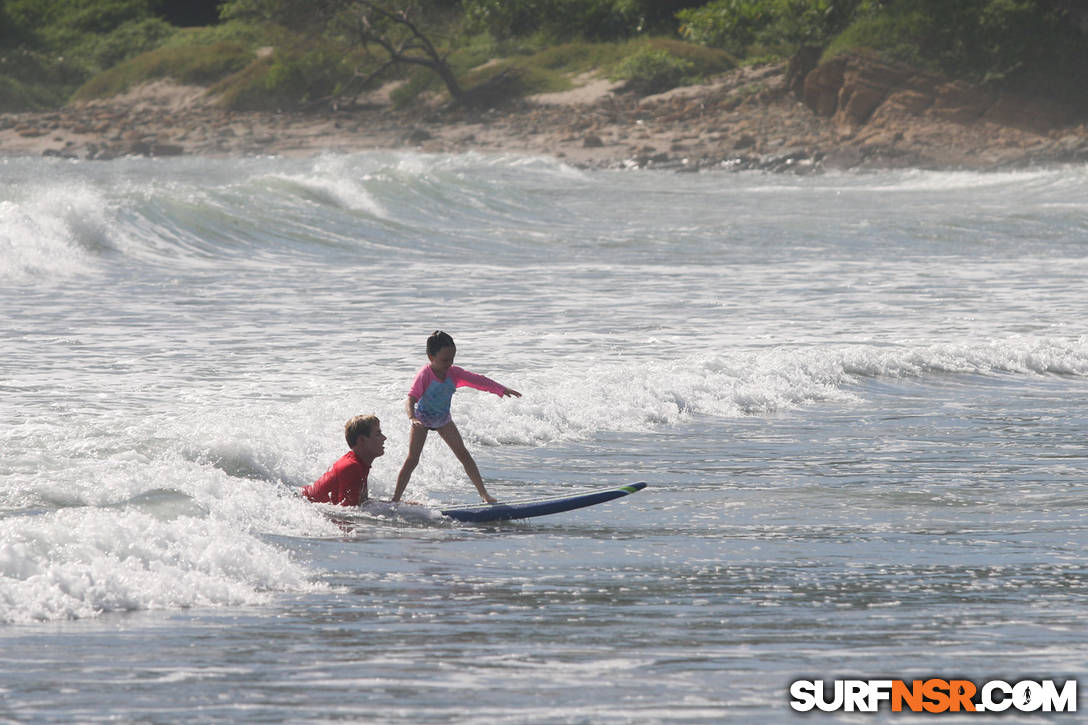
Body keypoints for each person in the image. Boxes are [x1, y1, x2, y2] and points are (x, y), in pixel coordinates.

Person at [393, 331, 520, 504]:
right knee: (412, 459)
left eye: (452, 359)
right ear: (431, 357)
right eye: (445, 360)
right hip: (422, 420)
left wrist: (501, 389)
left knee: (464, 454)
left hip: (443, 420)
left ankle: (484, 495)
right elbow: (411, 398)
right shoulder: (425, 375)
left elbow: (479, 380)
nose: (450, 363)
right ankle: (395, 500)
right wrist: (412, 417)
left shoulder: (454, 373)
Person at [301, 414, 386, 506]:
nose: (384, 438)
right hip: (301, 503)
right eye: (378, 434)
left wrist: (394, 505)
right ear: (362, 440)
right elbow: (349, 513)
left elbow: (363, 503)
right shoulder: (352, 467)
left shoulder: (360, 464)